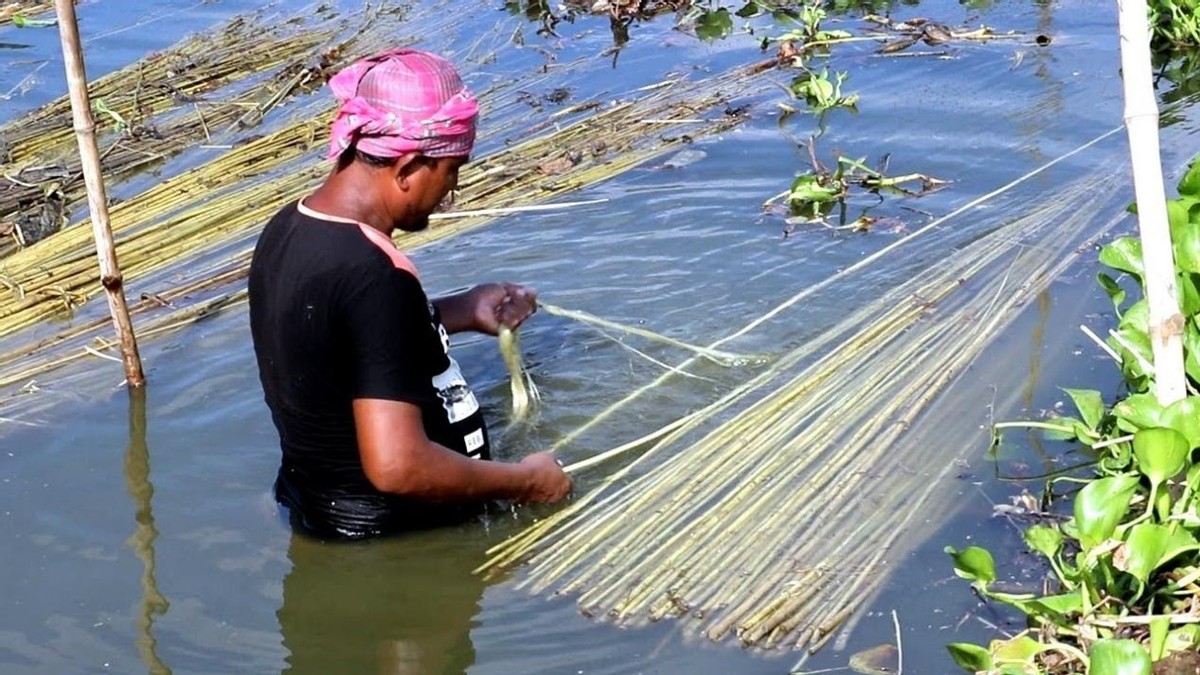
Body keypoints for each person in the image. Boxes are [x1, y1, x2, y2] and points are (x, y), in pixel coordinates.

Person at [248, 48, 572, 540]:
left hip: (319, 509)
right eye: (451, 170)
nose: (452, 189)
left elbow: (340, 345)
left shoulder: (289, 227)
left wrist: (459, 311)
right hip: (396, 538)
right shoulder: (377, 274)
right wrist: (526, 480)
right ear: (409, 166)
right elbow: (398, 466)